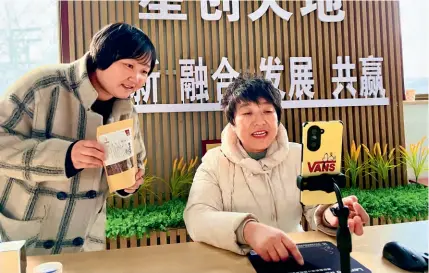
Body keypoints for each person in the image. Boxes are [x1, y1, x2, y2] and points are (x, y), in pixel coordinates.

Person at [0, 22, 156, 255]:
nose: (137, 77)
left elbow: (136, 162)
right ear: (103, 55)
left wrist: (129, 183)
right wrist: (65, 156)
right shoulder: (43, 86)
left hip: (84, 245)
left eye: (144, 71)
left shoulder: (126, 110)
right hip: (25, 241)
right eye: (129, 65)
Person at [184, 74, 370, 264]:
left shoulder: (299, 155)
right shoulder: (214, 162)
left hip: (296, 255)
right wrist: (248, 230)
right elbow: (196, 216)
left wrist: (333, 215)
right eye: (247, 113)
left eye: (267, 111)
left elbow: (315, 206)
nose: (259, 121)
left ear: (278, 117)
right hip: (239, 262)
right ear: (232, 122)